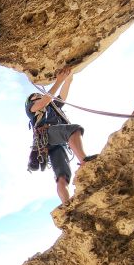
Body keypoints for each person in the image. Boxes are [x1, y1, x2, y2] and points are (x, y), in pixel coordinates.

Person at [25, 68, 97, 205]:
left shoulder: (53, 107)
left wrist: (68, 78)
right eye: (35, 96)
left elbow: (63, 94)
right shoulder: (31, 108)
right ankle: (84, 160)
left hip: (51, 143)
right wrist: (59, 80)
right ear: (31, 101)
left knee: (62, 177)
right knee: (74, 130)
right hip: (46, 135)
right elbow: (45, 100)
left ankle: (67, 205)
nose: (38, 95)